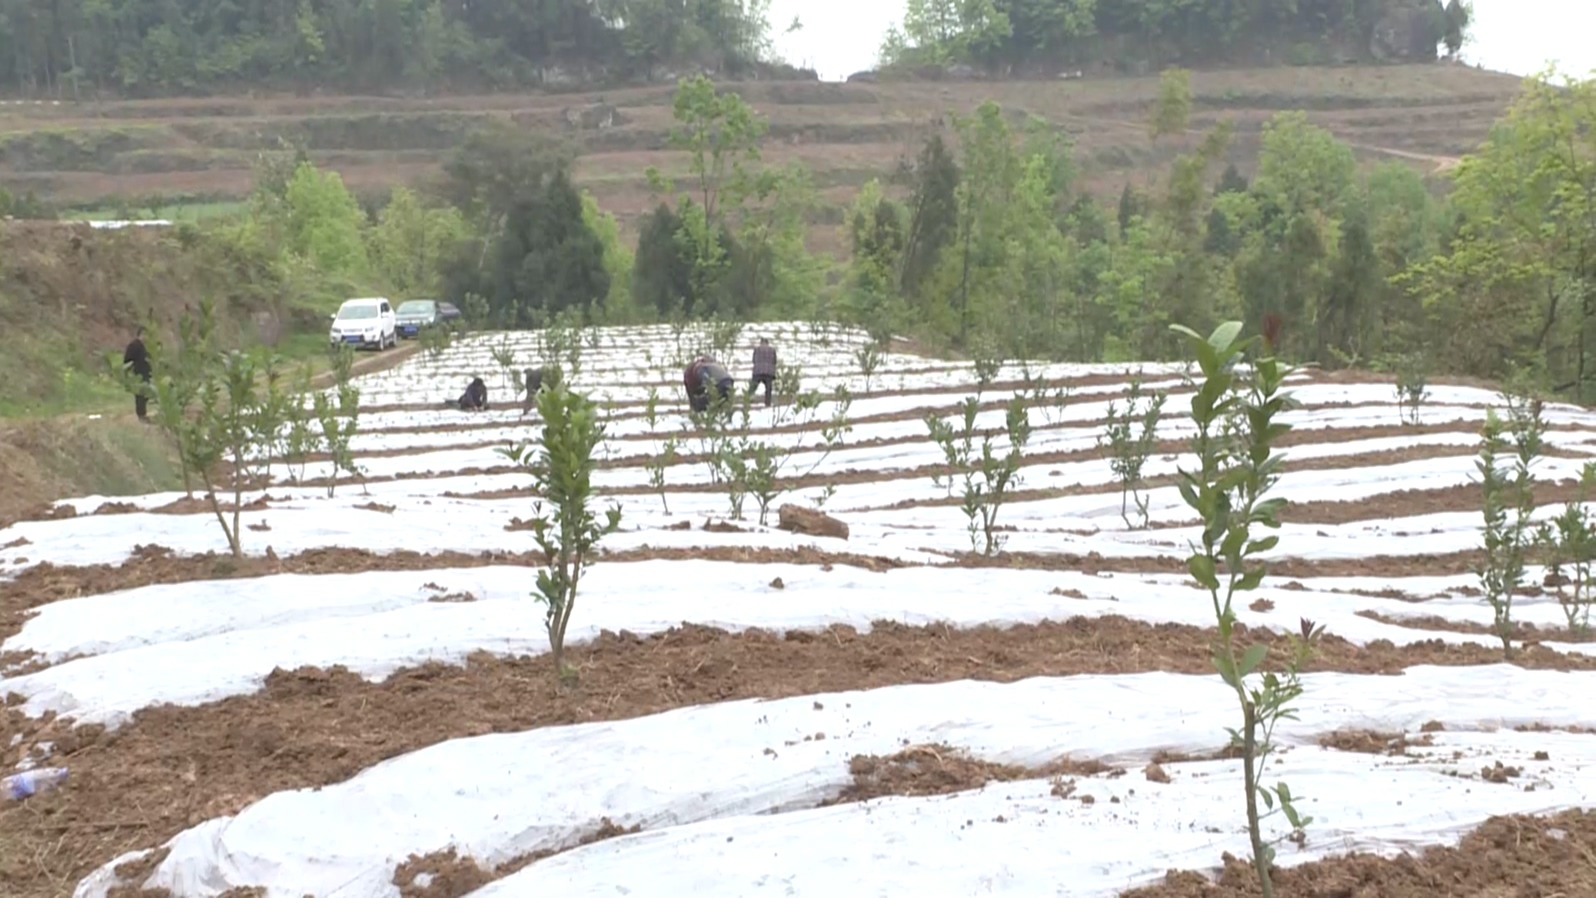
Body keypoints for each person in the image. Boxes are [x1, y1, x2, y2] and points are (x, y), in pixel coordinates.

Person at [122, 326, 153, 422]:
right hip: (137, 373)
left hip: (145, 373)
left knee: (145, 394)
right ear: (141, 334)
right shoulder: (134, 345)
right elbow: (127, 360)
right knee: (140, 395)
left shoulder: (145, 346)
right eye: (145, 335)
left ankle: (143, 413)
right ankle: (141, 415)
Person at [750, 337, 777, 407]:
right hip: (769, 372)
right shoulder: (772, 350)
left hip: (758, 371)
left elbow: (753, 360)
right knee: (768, 389)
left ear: (761, 342)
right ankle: (767, 403)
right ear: (768, 343)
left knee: (753, 387)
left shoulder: (757, 349)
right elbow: (774, 361)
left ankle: (749, 399)